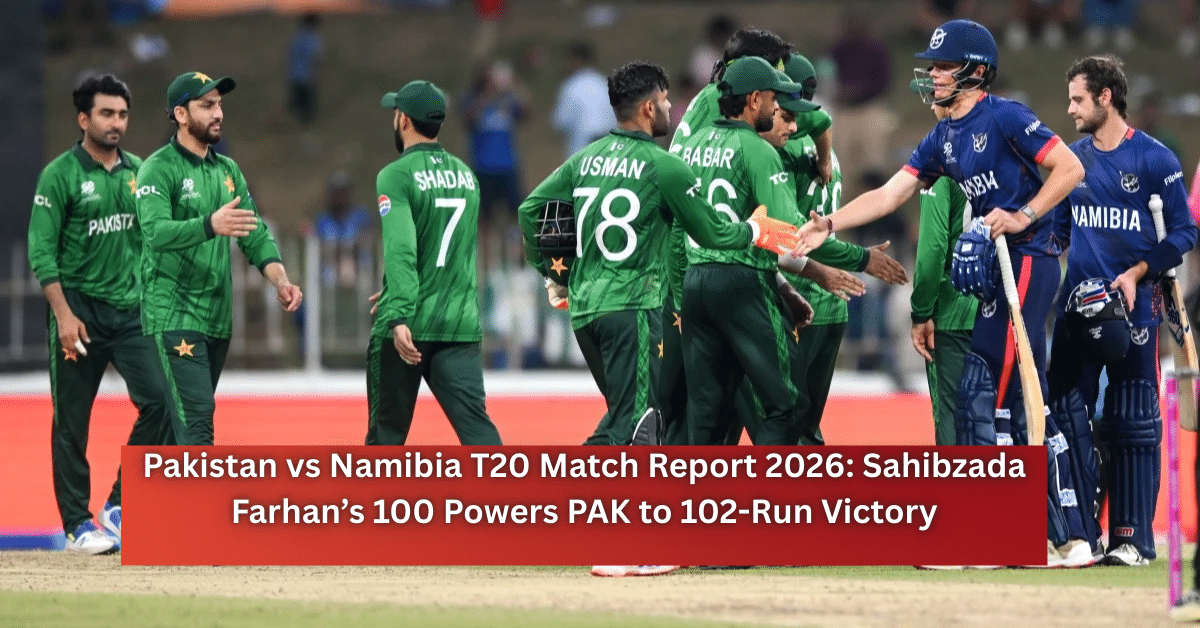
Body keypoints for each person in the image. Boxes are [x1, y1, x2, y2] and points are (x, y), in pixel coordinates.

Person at [797, 20, 1091, 567]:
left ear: (975, 71)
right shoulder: (944, 136)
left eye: (942, 67)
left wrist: (1023, 213)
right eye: (930, 66)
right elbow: (891, 192)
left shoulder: (1005, 117)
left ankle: (1035, 536)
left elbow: (1070, 167)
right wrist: (829, 225)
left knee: (995, 393)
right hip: (995, 270)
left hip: (1028, 261)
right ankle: (1044, 535)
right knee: (995, 399)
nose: (932, 75)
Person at [517, 60, 799, 448]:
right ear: (649, 108)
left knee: (629, 417)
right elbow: (714, 233)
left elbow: (531, 211)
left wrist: (554, 274)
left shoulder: (583, 160)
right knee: (635, 427)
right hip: (633, 309)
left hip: (585, 313)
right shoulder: (666, 167)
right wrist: (754, 228)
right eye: (665, 101)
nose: (671, 109)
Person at [1049, 55, 1197, 567]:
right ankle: (1077, 535)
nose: (1070, 109)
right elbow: (1059, 231)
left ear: (1105, 97)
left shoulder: (1154, 160)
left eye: (1078, 99)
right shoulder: (1070, 160)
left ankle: (1131, 540)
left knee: (1132, 424)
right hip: (1077, 310)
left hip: (1134, 315)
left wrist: (1137, 273)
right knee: (1065, 414)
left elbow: (1184, 232)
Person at [28, 74, 171, 554]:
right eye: (107, 114)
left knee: (163, 401)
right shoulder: (60, 175)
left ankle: (120, 504)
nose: (116, 123)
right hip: (79, 311)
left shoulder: (140, 172)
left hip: (130, 312)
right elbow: (42, 253)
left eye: (123, 114)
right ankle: (76, 525)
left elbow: (153, 239)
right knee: (72, 421)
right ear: (83, 118)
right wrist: (64, 316)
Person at [136, 71, 303, 446]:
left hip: (215, 318)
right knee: (197, 424)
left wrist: (280, 280)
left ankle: (130, 500)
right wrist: (210, 224)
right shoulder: (158, 169)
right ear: (181, 114)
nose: (218, 113)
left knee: (173, 420)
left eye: (220, 104)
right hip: (173, 315)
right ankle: (198, 506)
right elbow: (155, 232)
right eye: (207, 105)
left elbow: (255, 232)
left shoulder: (227, 171)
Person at [674, 57, 816, 446]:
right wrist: (856, 258)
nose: (777, 108)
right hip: (742, 281)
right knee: (788, 403)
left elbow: (675, 226)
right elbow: (789, 232)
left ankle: (696, 505)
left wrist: (679, 290)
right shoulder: (756, 149)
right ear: (754, 100)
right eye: (773, 99)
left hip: (695, 282)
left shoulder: (691, 146)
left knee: (707, 416)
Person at [367, 80, 502, 446]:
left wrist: (398, 310)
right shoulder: (467, 177)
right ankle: (514, 500)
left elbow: (402, 250)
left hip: (410, 323)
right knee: (478, 431)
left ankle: (378, 504)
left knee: (386, 437)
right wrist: (397, 286)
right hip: (458, 322)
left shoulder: (396, 175)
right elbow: (451, 254)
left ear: (404, 120)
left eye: (395, 112)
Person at [911, 175, 977, 445]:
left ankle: (955, 488)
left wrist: (921, 312)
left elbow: (932, 251)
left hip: (954, 314)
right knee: (999, 417)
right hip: (1003, 310)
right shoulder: (1007, 157)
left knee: (953, 419)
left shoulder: (940, 167)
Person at [552, 41, 617, 159]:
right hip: (610, 148)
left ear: (577, 60)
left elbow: (560, 121)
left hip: (584, 149)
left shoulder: (571, 85)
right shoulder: (605, 83)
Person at [286, 12, 324, 125]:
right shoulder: (314, 38)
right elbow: (317, 58)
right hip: (307, 77)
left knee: (296, 106)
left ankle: (294, 125)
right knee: (307, 109)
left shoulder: (297, 37)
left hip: (294, 75)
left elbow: (290, 55)